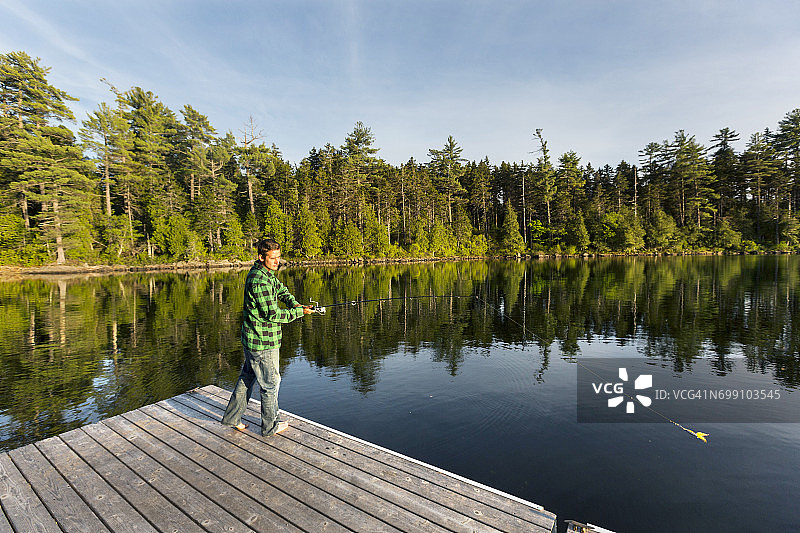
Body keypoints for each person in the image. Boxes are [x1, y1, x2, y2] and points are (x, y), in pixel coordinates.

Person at [221, 238, 313, 436]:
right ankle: (270, 427)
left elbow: (281, 291)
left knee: (247, 378)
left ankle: (232, 418)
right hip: (262, 342)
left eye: (278, 257)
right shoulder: (259, 280)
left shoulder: (266, 274)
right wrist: (299, 313)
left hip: (254, 340)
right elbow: (272, 315)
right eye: (272, 258)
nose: (276, 262)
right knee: (270, 384)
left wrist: (295, 304)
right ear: (261, 257)